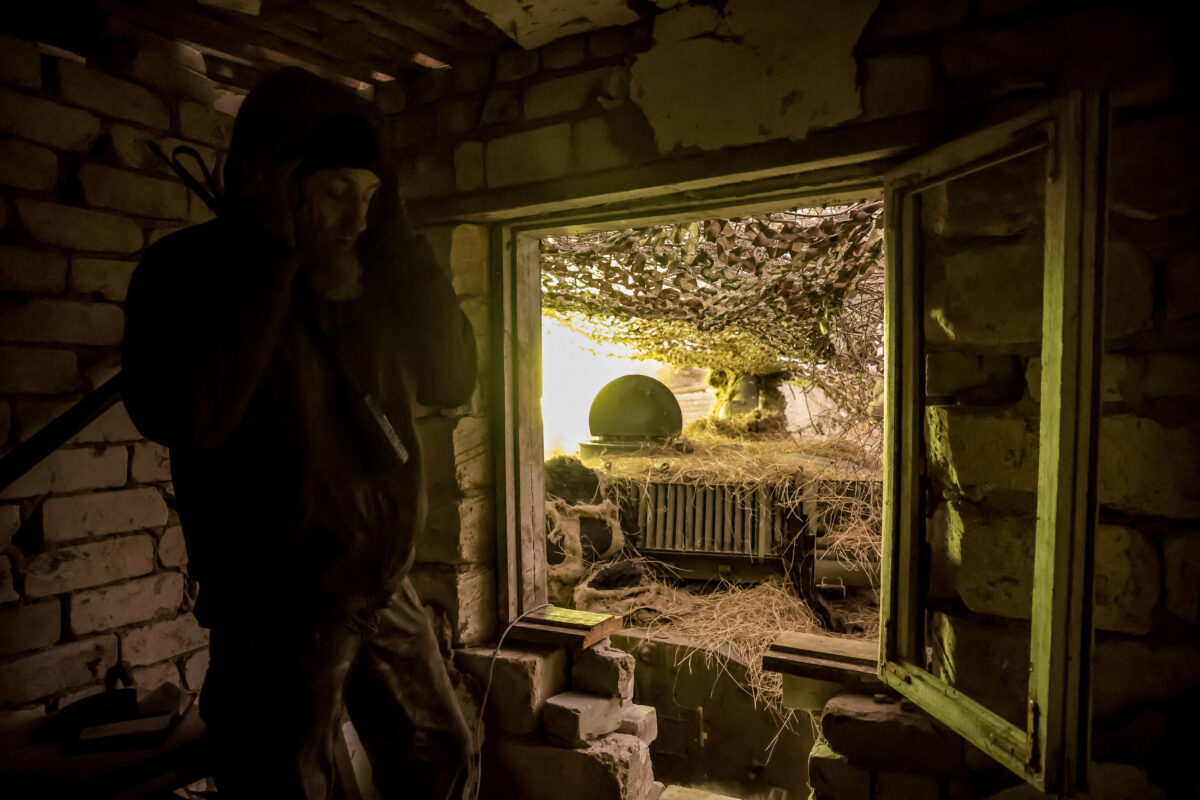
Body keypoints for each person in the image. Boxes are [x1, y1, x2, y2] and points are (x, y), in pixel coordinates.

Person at [121, 67, 477, 800]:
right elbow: (187, 417)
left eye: (370, 195)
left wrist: (398, 236)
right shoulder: (189, 271)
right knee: (285, 786)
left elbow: (453, 378)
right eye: (336, 191)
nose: (356, 219)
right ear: (274, 181)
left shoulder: (371, 274)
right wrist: (267, 254)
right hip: (274, 609)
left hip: (380, 586)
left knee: (440, 755)